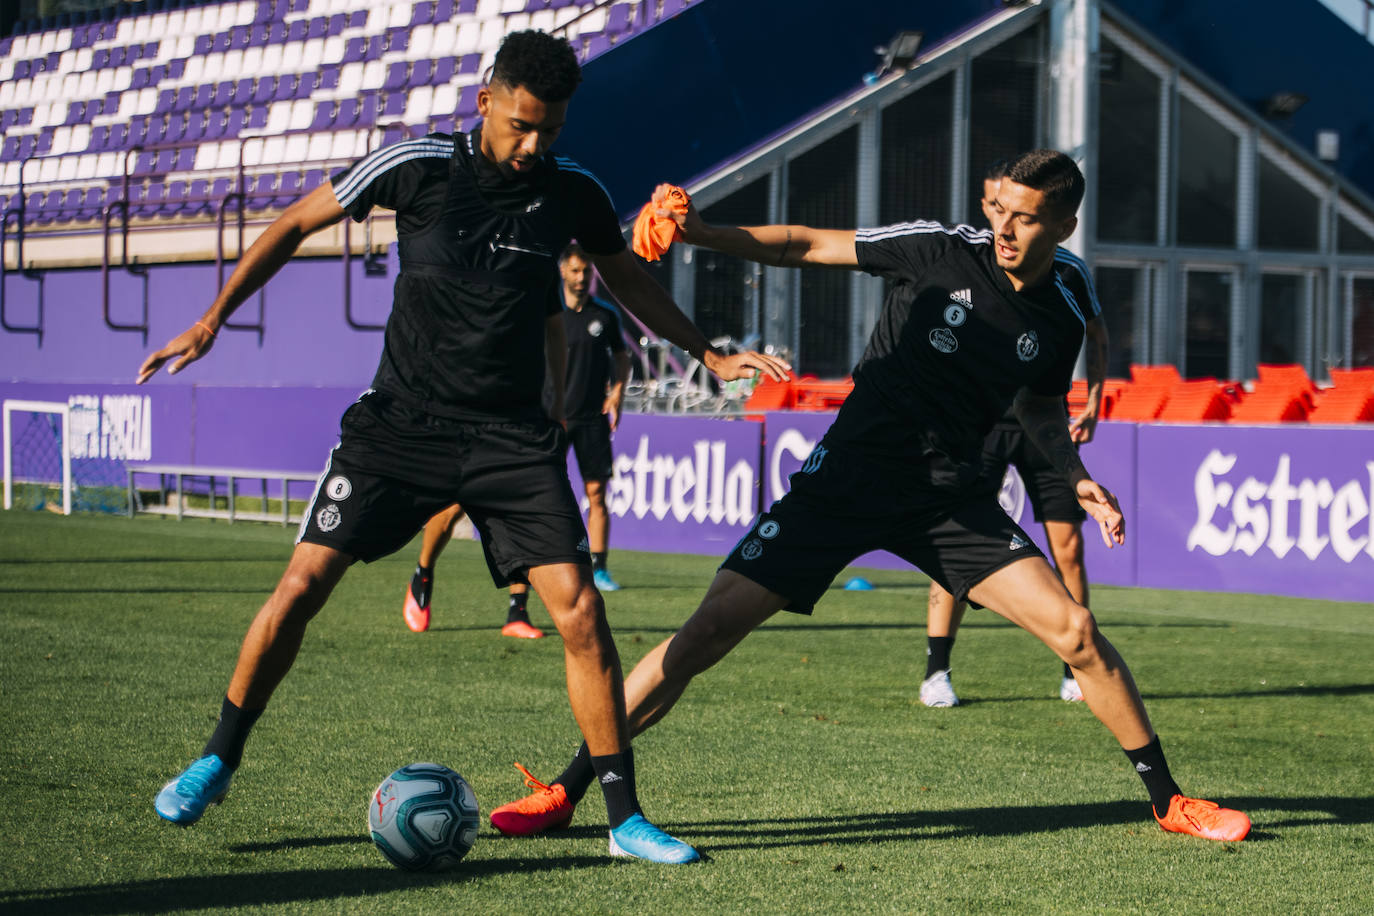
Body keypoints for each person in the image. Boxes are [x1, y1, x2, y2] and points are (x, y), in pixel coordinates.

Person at [136, 30, 789, 865]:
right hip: (398, 425)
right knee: (300, 585)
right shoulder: (416, 165)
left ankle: (624, 820)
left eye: (550, 130)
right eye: (522, 125)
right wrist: (211, 318)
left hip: (512, 440)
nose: (534, 146)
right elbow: (297, 222)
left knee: (582, 613)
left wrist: (706, 354)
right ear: (486, 101)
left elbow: (625, 276)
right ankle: (218, 759)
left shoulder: (573, 191)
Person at [489, 149, 1251, 844]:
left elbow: (1043, 403)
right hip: (849, 480)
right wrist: (705, 233)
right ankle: (568, 789)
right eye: (1000, 210)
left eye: (1026, 217)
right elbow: (806, 243)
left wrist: (1075, 472)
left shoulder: (1067, 298)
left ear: (1065, 225)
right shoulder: (940, 249)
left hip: (951, 499)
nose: (1005, 228)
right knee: (702, 637)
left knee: (1077, 630)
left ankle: (1169, 802)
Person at [920, 161, 1110, 708]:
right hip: (978, 426)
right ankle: (937, 669)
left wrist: (1094, 399)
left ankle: (1075, 666)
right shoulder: (969, 265)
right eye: (992, 205)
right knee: (952, 544)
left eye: (1012, 210)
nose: (997, 217)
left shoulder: (1070, 273)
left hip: (1043, 421)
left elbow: (1096, 334)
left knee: (1069, 547)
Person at [402, 243, 634, 636]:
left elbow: (617, 356)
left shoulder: (591, 315)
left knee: (559, 501)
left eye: (586, 271)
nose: (582, 277)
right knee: (459, 502)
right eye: (575, 270)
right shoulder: (517, 303)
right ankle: (423, 572)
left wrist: (613, 393)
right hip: (508, 416)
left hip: (564, 419)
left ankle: (521, 610)